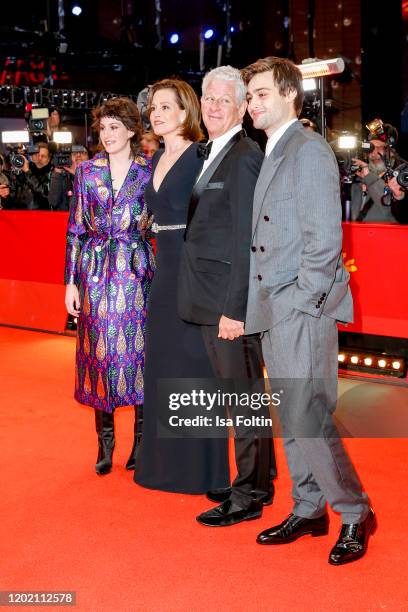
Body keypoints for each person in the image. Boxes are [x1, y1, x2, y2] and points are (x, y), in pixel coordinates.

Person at [242, 56, 374, 565]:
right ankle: (309, 506)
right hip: (274, 306)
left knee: (307, 415)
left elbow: (324, 242)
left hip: (300, 307)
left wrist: (304, 304)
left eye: (261, 94)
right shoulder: (275, 148)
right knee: (292, 418)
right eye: (250, 95)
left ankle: (355, 511)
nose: (252, 103)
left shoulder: (309, 150)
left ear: (291, 96)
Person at [177, 65, 276, 526]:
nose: (214, 106)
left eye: (224, 100)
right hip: (208, 294)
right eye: (208, 98)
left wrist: (235, 309)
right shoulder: (211, 151)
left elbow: (245, 239)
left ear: (241, 107)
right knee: (246, 395)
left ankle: (247, 496)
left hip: (226, 303)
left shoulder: (243, 155)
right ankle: (260, 482)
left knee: (243, 398)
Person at [134, 78, 230, 494]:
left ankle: (203, 471)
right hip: (163, 272)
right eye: (153, 108)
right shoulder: (153, 158)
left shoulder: (200, 155)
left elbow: (217, 218)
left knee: (196, 369)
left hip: (194, 271)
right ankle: (162, 467)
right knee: (163, 366)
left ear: (186, 112)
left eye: (166, 107)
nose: (156, 114)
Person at [64, 97, 154, 475]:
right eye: (102, 128)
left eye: (115, 127)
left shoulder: (150, 171)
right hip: (96, 272)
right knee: (99, 354)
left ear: (132, 130)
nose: (107, 134)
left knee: (139, 356)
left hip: (137, 272)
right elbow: (75, 230)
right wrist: (70, 282)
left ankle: (141, 444)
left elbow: (161, 225)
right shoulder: (86, 172)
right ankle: (105, 445)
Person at [351, 122, 408, 222]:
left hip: (388, 236)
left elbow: (393, 208)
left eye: (379, 147)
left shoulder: (402, 176)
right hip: (357, 236)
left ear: (390, 151)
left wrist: (398, 196)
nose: (374, 153)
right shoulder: (357, 175)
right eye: (370, 148)